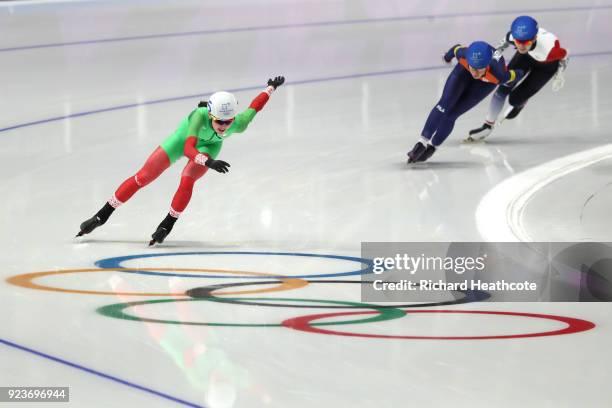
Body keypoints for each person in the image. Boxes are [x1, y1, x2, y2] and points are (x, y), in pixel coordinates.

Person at [76, 76, 286, 245]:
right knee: (143, 177)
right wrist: (209, 162)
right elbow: (187, 148)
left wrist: (270, 88)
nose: (224, 126)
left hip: (208, 146)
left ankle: (166, 225)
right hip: (183, 140)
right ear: (210, 115)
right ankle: (100, 216)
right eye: (219, 121)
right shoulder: (199, 117)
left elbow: (255, 107)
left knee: (187, 179)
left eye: (228, 121)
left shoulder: (238, 124)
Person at [406, 42, 524, 163]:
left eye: (479, 69)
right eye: (473, 68)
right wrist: (447, 57)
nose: (475, 73)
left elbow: (517, 74)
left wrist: (515, 81)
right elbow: (455, 49)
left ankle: (432, 147)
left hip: (486, 83)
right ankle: (421, 143)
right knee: (443, 105)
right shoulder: (464, 55)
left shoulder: (499, 75)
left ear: (487, 65)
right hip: (463, 72)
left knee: (451, 116)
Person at [466, 16, 569, 142]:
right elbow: (501, 46)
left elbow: (565, 55)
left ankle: (520, 103)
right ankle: (487, 126)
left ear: (535, 38)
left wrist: (559, 73)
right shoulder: (513, 38)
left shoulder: (550, 50)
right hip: (525, 57)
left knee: (515, 100)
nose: (521, 45)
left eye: (525, 42)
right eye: (518, 41)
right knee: (503, 88)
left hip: (546, 65)